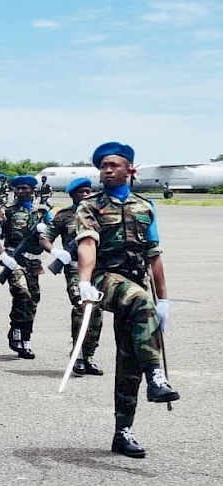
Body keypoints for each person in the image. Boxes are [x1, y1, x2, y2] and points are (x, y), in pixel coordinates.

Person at [75, 142, 179, 458]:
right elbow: (88, 243)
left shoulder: (145, 207)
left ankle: (123, 431)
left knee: (129, 356)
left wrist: (163, 300)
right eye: (103, 166)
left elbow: (154, 255)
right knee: (139, 301)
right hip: (105, 279)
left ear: (128, 169)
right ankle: (156, 376)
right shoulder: (90, 207)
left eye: (113, 165)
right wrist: (83, 281)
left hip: (136, 283)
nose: (107, 170)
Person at [40, 177, 104, 376]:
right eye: (81, 192)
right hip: (75, 267)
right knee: (81, 306)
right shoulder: (64, 215)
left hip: (98, 268)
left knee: (97, 312)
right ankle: (77, 355)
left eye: (88, 191)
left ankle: (89, 355)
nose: (85, 195)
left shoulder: (100, 214)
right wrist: (56, 252)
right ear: (72, 195)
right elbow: (45, 238)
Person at [0, 175, 52, 359]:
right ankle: (15, 330)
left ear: (33, 190)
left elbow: (51, 233)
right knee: (21, 292)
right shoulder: (8, 211)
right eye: (18, 189)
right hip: (15, 260)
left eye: (25, 188)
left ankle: (25, 338)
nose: (21, 191)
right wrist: (3, 254)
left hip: (33, 262)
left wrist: (46, 231)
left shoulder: (42, 212)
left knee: (33, 300)